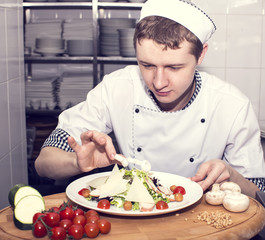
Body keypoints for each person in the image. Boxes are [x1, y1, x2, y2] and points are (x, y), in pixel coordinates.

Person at [35, 0, 265, 198]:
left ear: (201, 54)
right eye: (146, 65)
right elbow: (43, 163)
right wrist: (77, 163)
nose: (158, 82)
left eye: (174, 67)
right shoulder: (117, 88)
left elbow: (259, 195)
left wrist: (231, 175)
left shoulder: (231, 105)